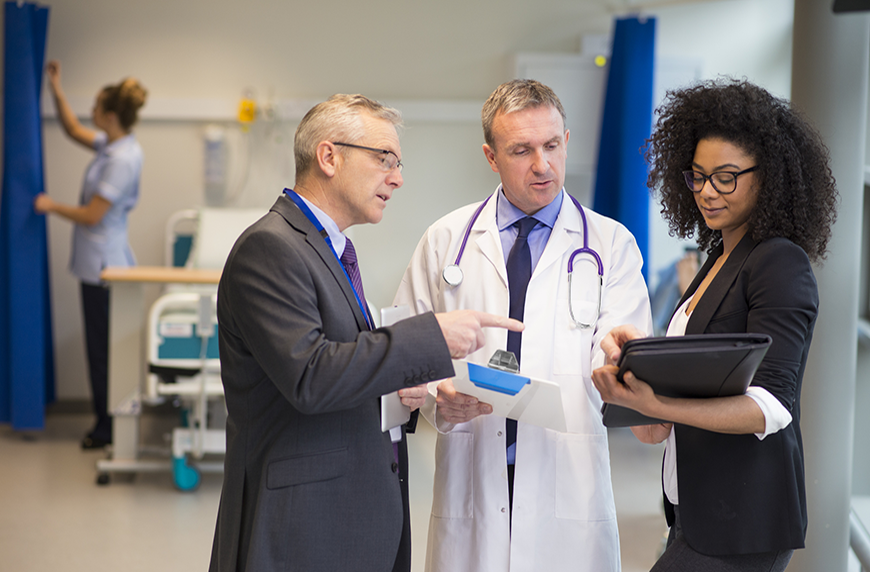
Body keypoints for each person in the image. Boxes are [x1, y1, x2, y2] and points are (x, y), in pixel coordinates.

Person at [208, 94, 523, 572]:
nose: (396, 178)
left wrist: (403, 390)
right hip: (301, 525)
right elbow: (310, 377)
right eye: (384, 160)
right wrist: (430, 337)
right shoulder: (270, 249)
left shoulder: (329, 250)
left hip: (348, 515)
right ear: (329, 156)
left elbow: (342, 364)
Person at [392, 79, 653, 572]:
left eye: (552, 145)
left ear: (567, 141)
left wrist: (624, 355)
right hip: (472, 469)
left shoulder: (610, 245)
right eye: (522, 150)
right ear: (491, 157)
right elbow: (404, 352)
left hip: (567, 479)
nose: (543, 164)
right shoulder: (445, 240)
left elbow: (623, 349)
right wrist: (436, 396)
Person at [591, 78, 838, 571]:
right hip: (697, 513)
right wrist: (642, 360)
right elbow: (710, 371)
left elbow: (770, 406)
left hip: (741, 523)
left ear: (768, 177)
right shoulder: (719, 257)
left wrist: (659, 403)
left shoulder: (778, 262)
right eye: (698, 176)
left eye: (726, 177)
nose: (707, 191)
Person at [34, 61, 147, 450]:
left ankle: (107, 427)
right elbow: (71, 129)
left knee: (102, 353)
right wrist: (57, 88)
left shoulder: (122, 160)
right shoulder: (112, 144)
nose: (91, 113)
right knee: (101, 350)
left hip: (105, 266)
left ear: (111, 116)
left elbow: (91, 214)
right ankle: (106, 422)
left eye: (96, 107)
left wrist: (50, 205)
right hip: (97, 262)